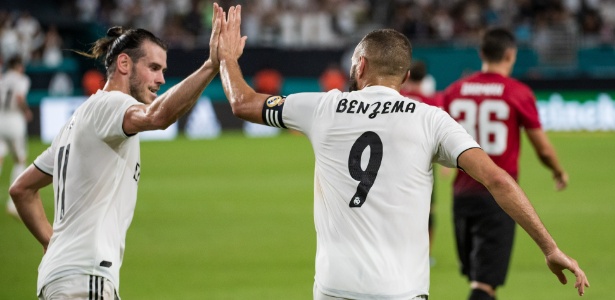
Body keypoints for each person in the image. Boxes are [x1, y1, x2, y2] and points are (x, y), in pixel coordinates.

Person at [216, 7, 588, 300]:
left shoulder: (322, 108)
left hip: (333, 287)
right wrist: (549, 247)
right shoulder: (430, 119)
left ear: (359, 66)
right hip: (401, 291)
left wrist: (227, 57)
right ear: (406, 78)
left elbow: (242, 102)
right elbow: (496, 179)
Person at [9, 3, 225, 299]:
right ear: (124, 64)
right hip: (87, 278)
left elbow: (21, 189)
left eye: (163, 70)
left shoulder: (75, 124)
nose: (161, 79)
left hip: (59, 277)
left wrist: (52, 244)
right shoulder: (112, 105)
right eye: (153, 68)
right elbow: (158, 117)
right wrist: (211, 65)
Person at [441, 28, 570, 300]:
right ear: (510, 54)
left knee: (479, 278)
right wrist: (558, 171)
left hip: (462, 194)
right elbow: (543, 149)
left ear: (481, 54)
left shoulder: (454, 90)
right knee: (484, 285)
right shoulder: (517, 92)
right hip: (498, 196)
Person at [0, 56, 33, 218]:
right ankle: (13, 205)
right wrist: (26, 111)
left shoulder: (3, 78)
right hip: (14, 120)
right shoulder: (22, 79)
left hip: (1, 119)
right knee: (20, 159)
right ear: (18, 65)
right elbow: (19, 98)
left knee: (0, 158)